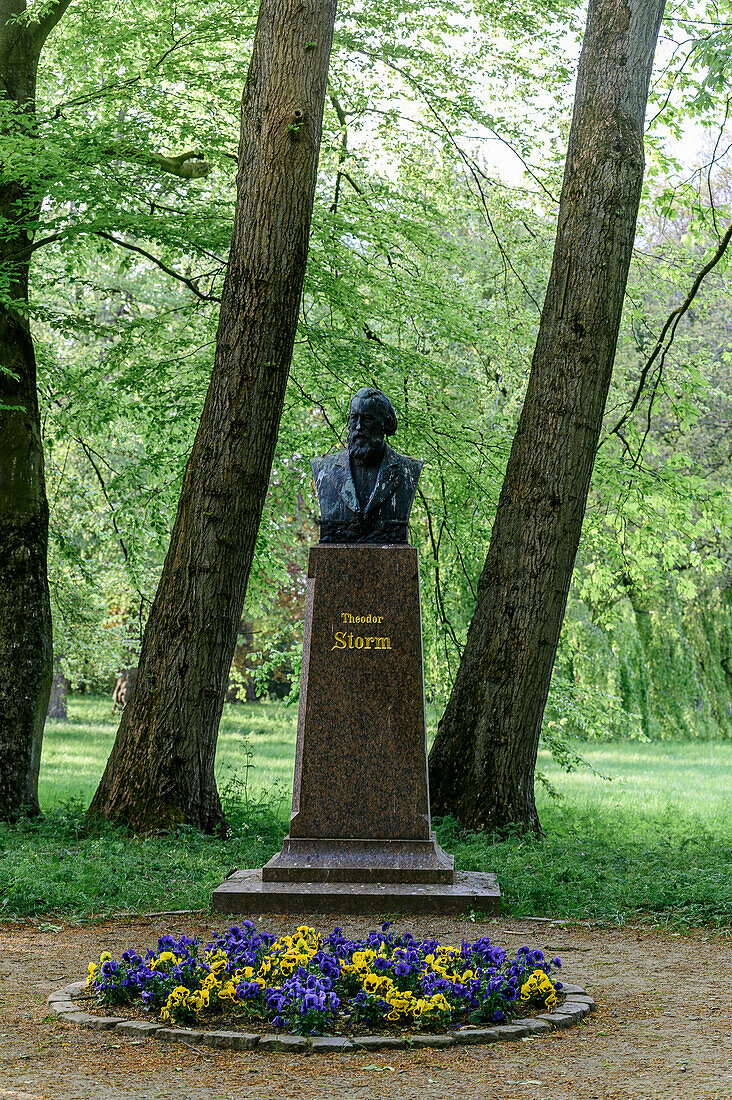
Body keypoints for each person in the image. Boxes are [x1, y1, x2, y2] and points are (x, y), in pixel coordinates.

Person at [311, 387, 423, 544]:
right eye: (354, 418)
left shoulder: (407, 470)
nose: (358, 426)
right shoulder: (325, 468)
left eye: (367, 419)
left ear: (384, 423)